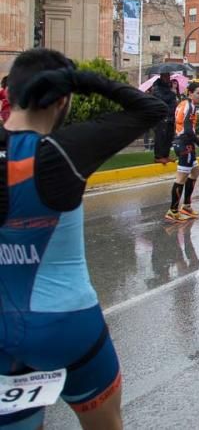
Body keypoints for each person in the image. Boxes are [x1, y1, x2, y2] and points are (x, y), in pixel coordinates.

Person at [0, 50, 167, 429]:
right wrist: (85, 80)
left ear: (9, 94)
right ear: (62, 99)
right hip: (70, 326)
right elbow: (150, 110)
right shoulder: (64, 152)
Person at [166, 84, 199, 222]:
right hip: (185, 144)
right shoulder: (190, 106)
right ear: (190, 93)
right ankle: (173, 211)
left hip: (183, 142)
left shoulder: (183, 104)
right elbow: (189, 130)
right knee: (181, 177)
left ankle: (187, 206)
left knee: (195, 171)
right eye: (198, 93)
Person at [150, 72, 177, 163]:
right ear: (162, 77)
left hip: (170, 116)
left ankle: (165, 155)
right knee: (160, 136)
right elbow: (162, 99)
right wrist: (172, 92)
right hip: (161, 116)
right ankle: (158, 156)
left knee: (168, 137)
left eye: (169, 76)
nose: (168, 78)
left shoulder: (168, 87)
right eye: (166, 76)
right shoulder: (156, 88)